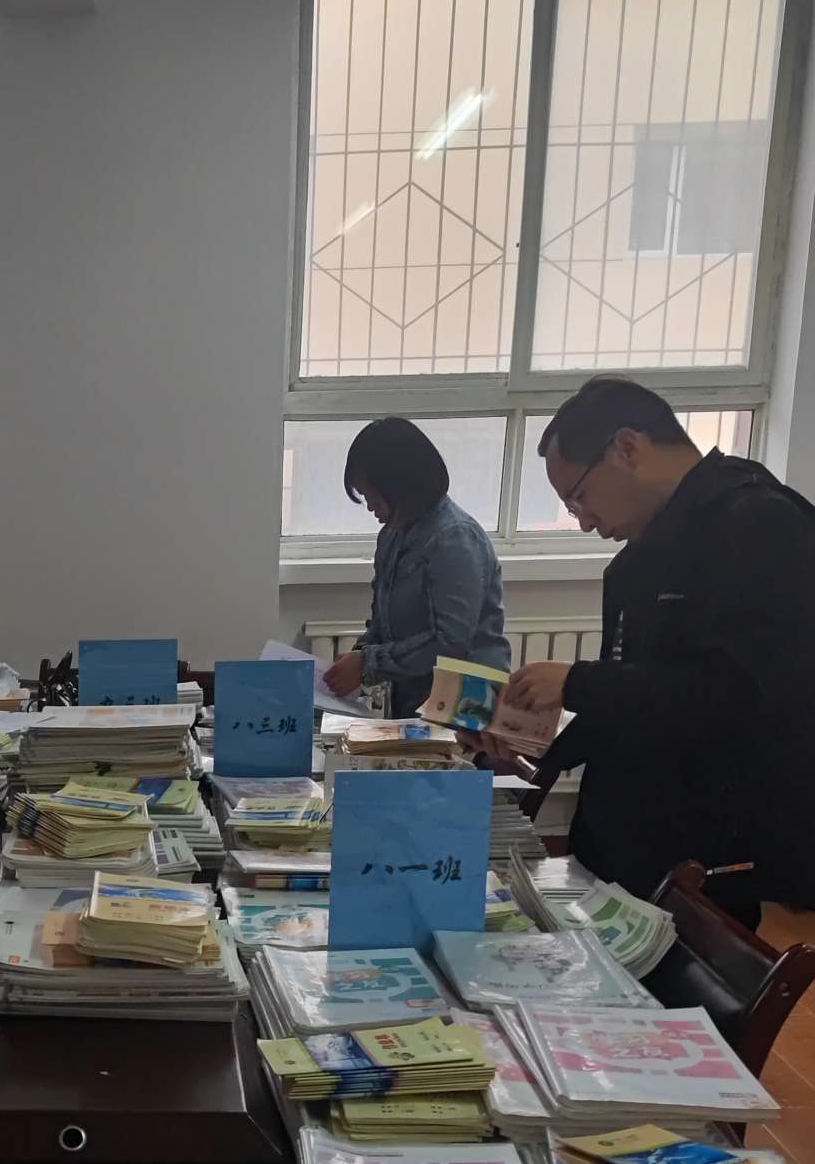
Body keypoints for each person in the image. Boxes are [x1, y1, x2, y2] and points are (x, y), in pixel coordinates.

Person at [504, 376, 815, 924]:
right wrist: (528, 743)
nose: (584, 520)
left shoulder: (760, 526)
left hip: (701, 851)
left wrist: (578, 682)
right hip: (621, 838)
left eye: (579, 496)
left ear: (627, 447)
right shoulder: (639, 558)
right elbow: (630, 698)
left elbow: (740, 697)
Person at [322, 417, 509, 717]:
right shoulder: (392, 536)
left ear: (399, 486)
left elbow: (450, 642)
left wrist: (369, 663)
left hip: (465, 709)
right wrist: (357, 656)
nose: (370, 506)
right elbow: (382, 625)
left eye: (372, 495)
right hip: (414, 704)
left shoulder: (454, 538)